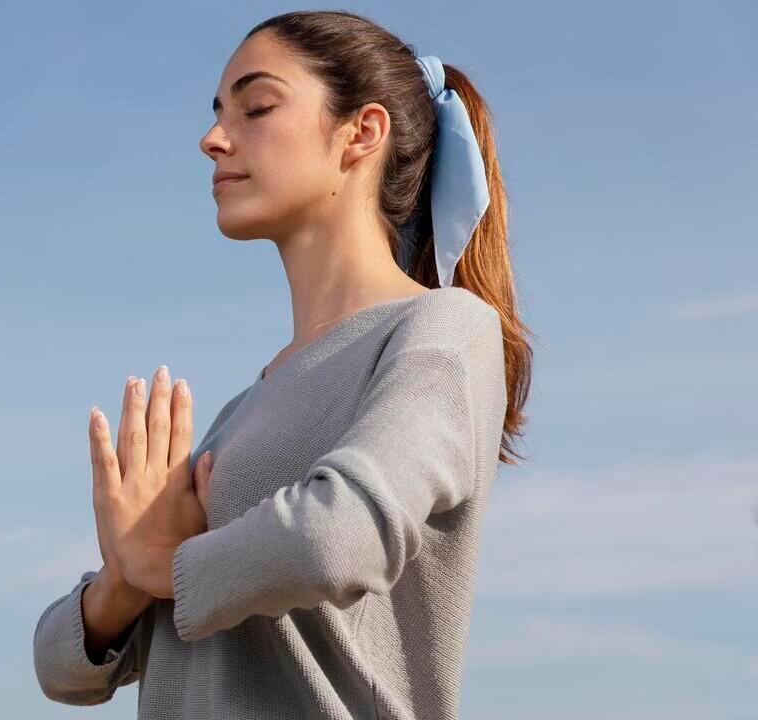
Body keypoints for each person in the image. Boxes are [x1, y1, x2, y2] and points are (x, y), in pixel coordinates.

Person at [33, 9, 534, 720]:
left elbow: (337, 538)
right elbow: (60, 666)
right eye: (217, 114)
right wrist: (124, 581)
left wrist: (166, 568)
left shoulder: (443, 330)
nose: (213, 139)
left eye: (257, 106)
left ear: (360, 133)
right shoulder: (243, 413)